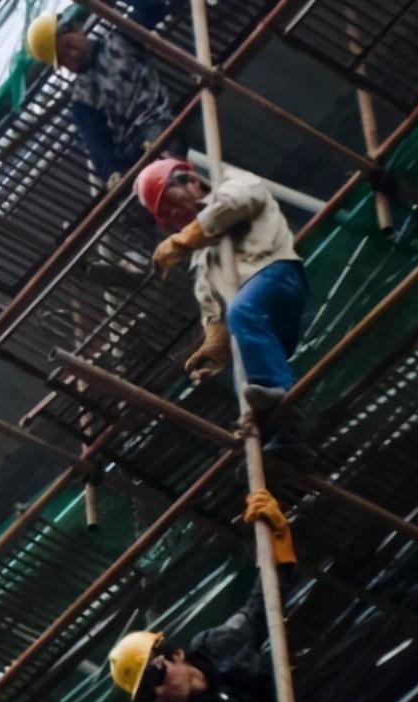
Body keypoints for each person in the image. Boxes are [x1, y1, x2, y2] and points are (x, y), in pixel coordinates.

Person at [108, 493, 353, 702]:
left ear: (176, 654)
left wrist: (279, 544)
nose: (158, 692)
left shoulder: (221, 646)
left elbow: (262, 604)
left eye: (156, 677)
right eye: (146, 694)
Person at [135, 158, 309, 417]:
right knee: (247, 388)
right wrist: (215, 340)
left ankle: (277, 392)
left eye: (172, 203)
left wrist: (182, 241)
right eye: (167, 216)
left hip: (276, 276)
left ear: (191, 181)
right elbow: (211, 303)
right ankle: (282, 434)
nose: (175, 215)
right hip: (256, 317)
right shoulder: (201, 256)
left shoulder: (231, 183)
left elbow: (236, 203)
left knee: (242, 312)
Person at [26, 2, 183, 188]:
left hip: (159, 121)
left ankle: (180, 183)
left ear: (78, 30)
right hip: (132, 149)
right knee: (136, 187)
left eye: (68, 45)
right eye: (63, 58)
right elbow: (98, 145)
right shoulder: (83, 100)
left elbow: (152, 8)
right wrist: (113, 174)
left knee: (164, 161)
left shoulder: (121, 41)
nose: (72, 55)